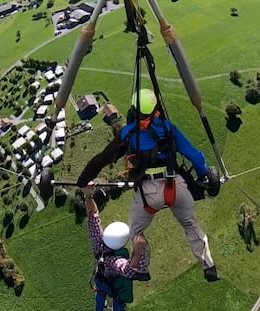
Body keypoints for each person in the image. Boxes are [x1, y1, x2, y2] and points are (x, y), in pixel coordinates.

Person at [77, 89, 219, 282]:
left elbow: (102, 159)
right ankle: (208, 266)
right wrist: (204, 177)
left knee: (135, 232)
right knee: (190, 225)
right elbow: (194, 156)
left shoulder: (128, 133)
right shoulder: (168, 128)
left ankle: (141, 268)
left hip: (147, 193)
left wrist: (83, 181)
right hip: (175, 186)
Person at [83, 183, 149, 311]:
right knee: (118, 303)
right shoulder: (115, 260)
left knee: (100, 299)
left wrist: (88, 196)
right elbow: (129, 270)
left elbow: (93, 216)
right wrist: (138, 249)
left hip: (101, 281)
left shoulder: (99, 245)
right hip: (113, 286)